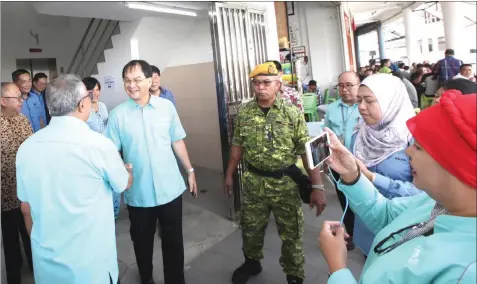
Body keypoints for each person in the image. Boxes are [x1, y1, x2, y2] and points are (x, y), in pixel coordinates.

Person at [319, 91, 476, 283]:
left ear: (458, 164)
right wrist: (352, 175)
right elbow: (387, 215)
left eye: (419, 147)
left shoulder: (465, 271)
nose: (408, 151)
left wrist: (338, 269)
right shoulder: (438, 202)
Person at [16, 74, 133, 284]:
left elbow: (26, 209)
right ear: (82, 105)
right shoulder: (98, 145)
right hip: (91, 267)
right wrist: (128, 171)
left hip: (47, 267)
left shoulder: (26, 148)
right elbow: (123, 183)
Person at [224, 62, 327, 284]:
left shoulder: (292, 113)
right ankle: (252, 262)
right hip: (253, 183)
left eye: (266, 82)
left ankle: (294, 275)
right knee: (250, 229)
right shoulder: (244, 114)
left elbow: (306, 152)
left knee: (291, 235)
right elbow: (237, 146)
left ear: (278, 85)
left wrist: (317, 187)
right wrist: (229, 174)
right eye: (256, 82)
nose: (260, 87)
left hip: (285, 184)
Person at [106, 60, 197, 284]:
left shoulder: (166, 107)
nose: (132, 85)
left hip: (170, 189)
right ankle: (146, 278)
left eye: (137, 79)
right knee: (142, 242)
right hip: (138, 193)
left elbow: (177, 141)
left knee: (173, 241)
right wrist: (119, 171)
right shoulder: (118, 115)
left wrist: (190, 170)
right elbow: (110, 152)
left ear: (150, 80)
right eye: (127, 80)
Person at [352, 74, 422, 256]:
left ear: (391, 102)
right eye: (358, 100)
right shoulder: (360, 133)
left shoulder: (414, 138)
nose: (361, 107)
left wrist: (373, 178)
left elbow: (424, 193)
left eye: (369, 101)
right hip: (366, 223)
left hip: (403, 228)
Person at [324, 71, 361, 250]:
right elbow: (327, 136)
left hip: (362, 164)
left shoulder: (365, 106)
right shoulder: (332, 109)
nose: (344, 89)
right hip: (339, 165)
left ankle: (370, 233)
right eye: (341, 86)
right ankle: (352, 234)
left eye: (349, 85)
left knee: (363, 199)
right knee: (345, 200)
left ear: (358, 84)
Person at [1, 82, 34, 284]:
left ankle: (36, 268)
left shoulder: (23, 120)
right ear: (3, 101)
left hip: (27, 193)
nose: (21, 100)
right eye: (17, 97)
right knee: (10, 242)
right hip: (4, 198)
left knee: (31, 235)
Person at [82, 77, 122, 220]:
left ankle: (114, 215)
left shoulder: (103, 106)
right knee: (100, 186)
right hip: (92, 154)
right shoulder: (82, 109)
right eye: (92, 90)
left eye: (98, 89)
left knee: (114, 185)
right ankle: (102, 217)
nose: (96, 93)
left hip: (108, 150)